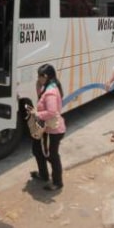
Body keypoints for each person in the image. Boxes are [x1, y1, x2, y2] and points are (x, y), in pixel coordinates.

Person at [29, 63, 66, 191]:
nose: (38, 79)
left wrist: (36, 114)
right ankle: (43, 174)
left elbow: (51, 112)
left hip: (53, 130)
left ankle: (57, 182)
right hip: (46, 128)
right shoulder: (49, 86)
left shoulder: (50, 92)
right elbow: (41, 97)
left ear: (45, 76)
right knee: (38, 151)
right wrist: (38, 85)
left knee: (51, 156)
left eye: (39, 76)